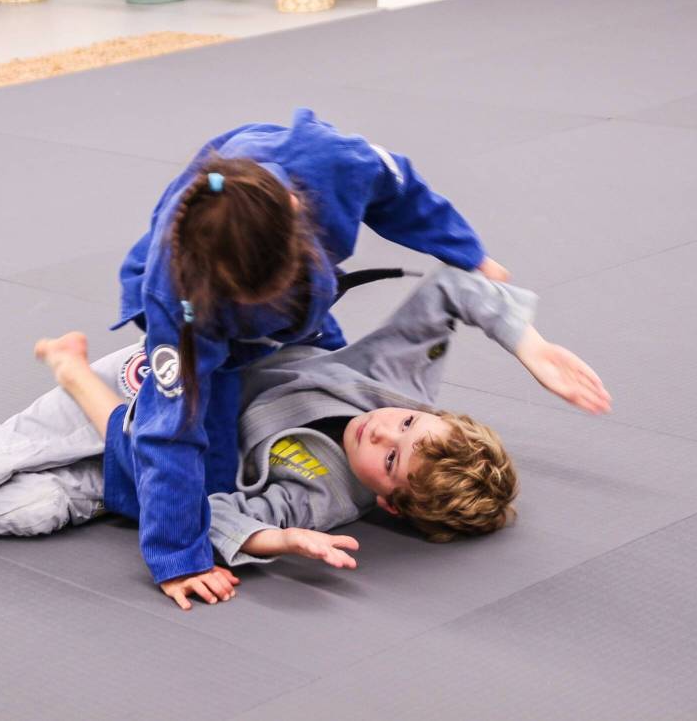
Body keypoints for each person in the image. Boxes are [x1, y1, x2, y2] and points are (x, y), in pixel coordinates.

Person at [0, 268, 610, 610]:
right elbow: (455, 289)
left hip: (154, 473)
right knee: (9, 451)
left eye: (392, 453)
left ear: (388, 497)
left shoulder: (323, 495)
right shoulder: (395, 383)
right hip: (163, 381)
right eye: (412, 424)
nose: (388, 427)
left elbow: (221, 514)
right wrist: (527, 344)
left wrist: (274, 539)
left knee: (39, 511)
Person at [109, 107, 512, 592]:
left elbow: (400, 188)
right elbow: (168, 432)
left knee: (312, 347)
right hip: (199, 309)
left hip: (285, 257)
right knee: (204, 448)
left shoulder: (333, 166)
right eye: (401, 431)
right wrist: (180, 558)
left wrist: (468, 252)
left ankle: (291, 315)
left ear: (302, 217)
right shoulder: (178, 306)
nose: (386, 431)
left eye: (396, 451)